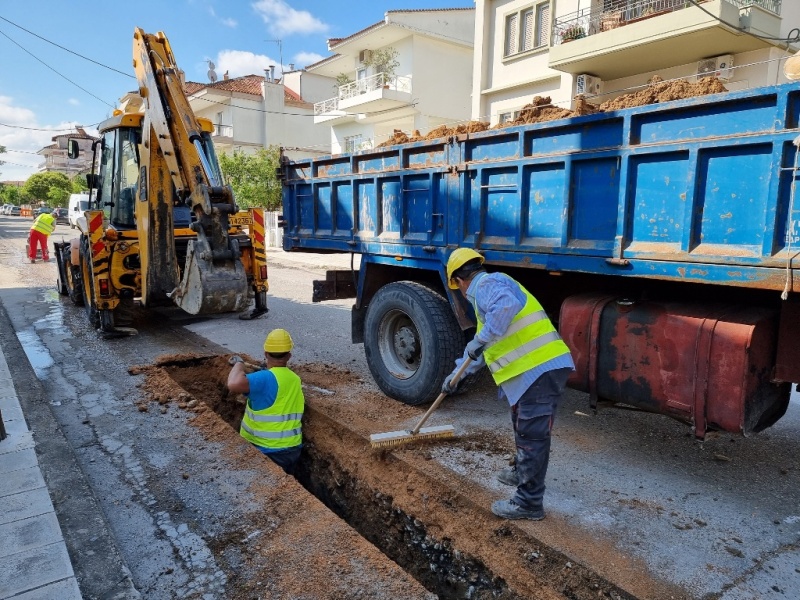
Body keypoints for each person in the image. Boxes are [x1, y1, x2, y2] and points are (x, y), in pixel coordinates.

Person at [443, 248, 575, 521]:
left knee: (532, 435)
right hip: (532, 372)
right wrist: (457, 374)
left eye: (457, 286)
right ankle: (521, 472)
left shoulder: (486, 285)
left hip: (539, 368)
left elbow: (504, 308)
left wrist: (478, 341)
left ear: (460, 280)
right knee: (522, 423)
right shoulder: (489, 293)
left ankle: (529, 503)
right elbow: (482, 349)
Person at [227, 329, 305, 474]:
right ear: (289, 355)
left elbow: (234, 384)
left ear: (265, 353)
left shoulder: (264, 379)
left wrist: (239, 364)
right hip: (292, 450)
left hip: (268, 450)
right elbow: (276, 385)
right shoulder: (294, 379)